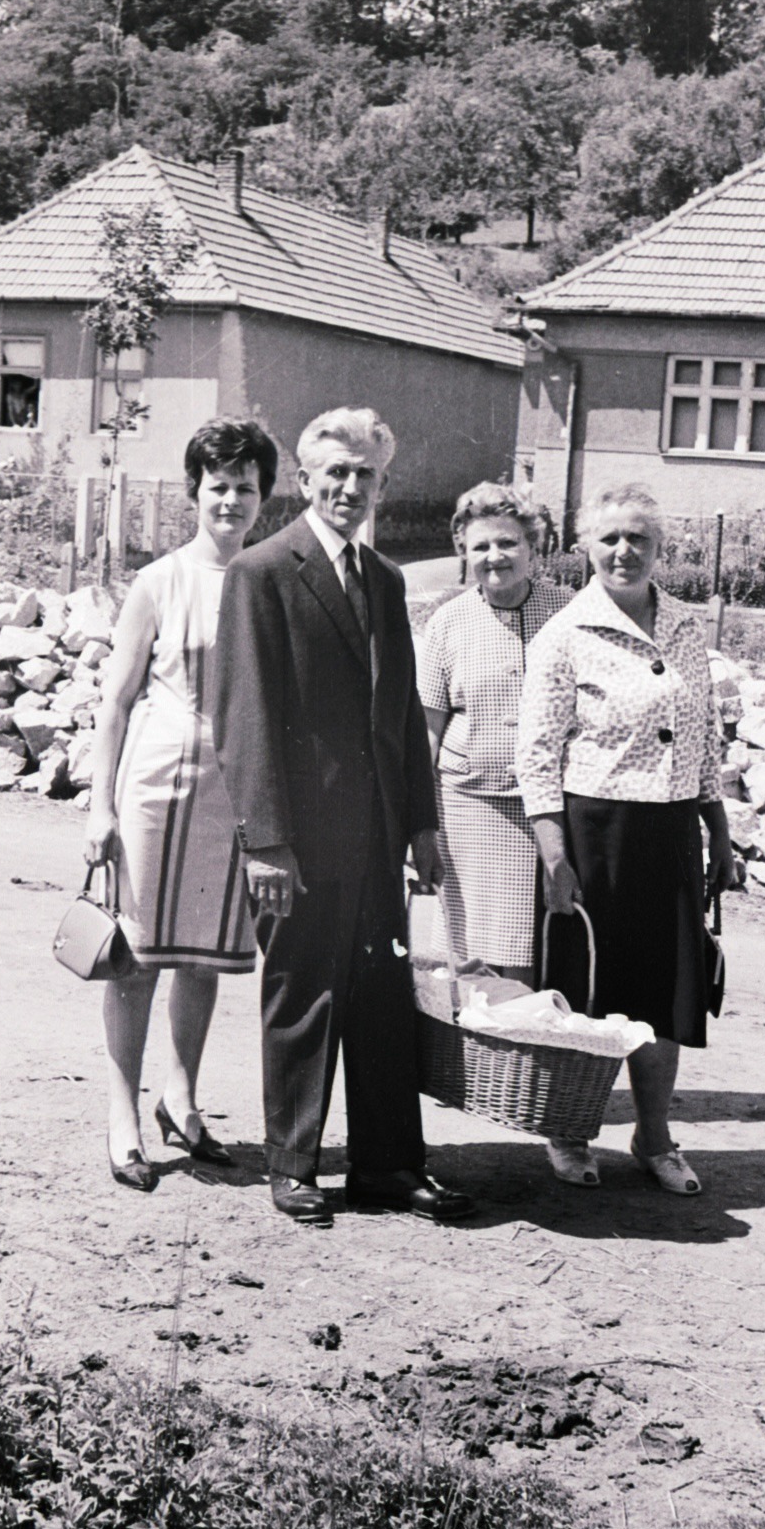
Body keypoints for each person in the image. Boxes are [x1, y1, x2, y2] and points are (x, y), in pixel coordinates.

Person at [213, 407, 475, 1225]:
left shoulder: (387, 580)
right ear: (302, 478)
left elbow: (400, 719)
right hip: (295, 840)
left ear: (383, 485)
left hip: (376, 838)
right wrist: (265, 842)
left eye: (364, 474)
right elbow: (244, 717)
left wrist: (424, 826)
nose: (348, 487)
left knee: (379, 998)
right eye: (334, 471)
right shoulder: (261, 572)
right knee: (301, 994)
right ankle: (292, 1164)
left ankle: (387, 1165)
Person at [516, 483, 736, 1194]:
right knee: (584, 990)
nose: (622, 551)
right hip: (591, 830)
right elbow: (537, 752)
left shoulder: (683, 626)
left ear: (658, 547)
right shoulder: (563, 633)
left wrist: (718, 832)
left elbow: (703, 736)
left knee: (665, 992)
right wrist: (553, 852)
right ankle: (570, 1131)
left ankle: (652, 1135)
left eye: (637, 537)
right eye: (608, 537)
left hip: (668, 829)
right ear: (583, 546)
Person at [84, 418, 279, 1191]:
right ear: (195, 490)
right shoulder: (160, 580)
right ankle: (121, 1115)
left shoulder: (271, 579)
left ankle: (182, 1098)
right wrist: (98, 806)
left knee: (203, 960)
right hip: (157, 789)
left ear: (265, 496)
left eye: (246, 487)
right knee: (135, 959)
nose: (230, 499)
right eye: (217, 485)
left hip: (235, 796)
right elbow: (116, 702)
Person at [418, 482, 569, 987]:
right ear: (463, 551)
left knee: (531, 953)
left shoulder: (567, 615)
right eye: (480, 546)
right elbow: (428, 733)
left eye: (507, 543)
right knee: (470, 956)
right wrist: (421, 824)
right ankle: (476, 1061)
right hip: (467, 807)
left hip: (547, 810)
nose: (494, 556)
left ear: (533, 545)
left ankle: (522, 1057)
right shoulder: (447, 623)